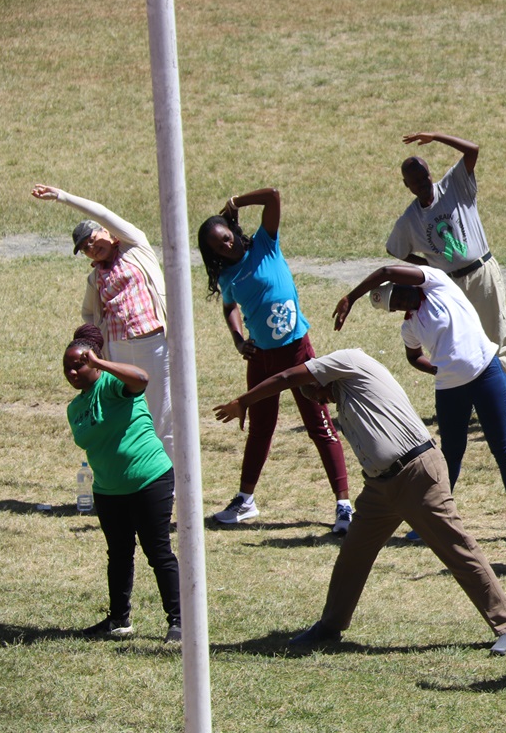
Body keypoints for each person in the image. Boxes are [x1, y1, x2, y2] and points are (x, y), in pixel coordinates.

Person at [213, 348, 506, 655]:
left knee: (457, 549)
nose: (320, 400)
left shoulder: (351, 362)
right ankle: (330, 626)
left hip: (417, 473)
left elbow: (285, 376)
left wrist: (245, 401)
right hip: (380, 488)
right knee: (353, 555)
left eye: (315, 392)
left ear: (319, 374)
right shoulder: (346, 407)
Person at [332, 262, 506, 547]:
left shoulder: (437, 284)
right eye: (396, 305)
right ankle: (437, 521)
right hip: (450, 389)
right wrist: (436, 369)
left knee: (502, 448)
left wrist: (350, 297)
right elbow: (413, 357)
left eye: (400, 294)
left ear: (406, 283)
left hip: (486, 373)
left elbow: (387, 271)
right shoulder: (410, 326)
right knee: (449, 454)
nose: (402, 301)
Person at [197, 188, 353, 533]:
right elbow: (229, 307)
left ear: (233, 231)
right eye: (216, 246)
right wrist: (239, 341)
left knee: (320, 425)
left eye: (225, 237)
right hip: (262, 358)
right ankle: (245, 501)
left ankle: (344, 506)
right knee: (259, 429)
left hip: (297, 350)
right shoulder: (227, 277)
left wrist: (236, 201)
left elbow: (273, 196)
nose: (225, 245)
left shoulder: (265, 245)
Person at [385, 131, 506, 426]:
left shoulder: (453, 186)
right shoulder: (411, 219)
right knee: (465, 339)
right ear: (406, 185)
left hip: (481, 272)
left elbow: (473, 150)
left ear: (431, 174)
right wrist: (431, 265)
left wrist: (436, 137)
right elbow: (395, 250)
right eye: (414, 182)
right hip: (451, 283)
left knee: (497, 333)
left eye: (424, 178)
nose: (421, 185)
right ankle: (484, 400)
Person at [33, 184, 173, 460]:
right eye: (85, 248)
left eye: (93, 239)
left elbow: (103, 213)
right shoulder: (95, 278)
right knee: (126, 410)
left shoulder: (135, 247)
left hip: (153, 342)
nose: (91, 247)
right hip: (119, 348)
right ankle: (131, 471)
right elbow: (89, 313)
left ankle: (167, 480)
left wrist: (62, 197)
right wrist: (98, 341)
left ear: (107, 233)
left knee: (162, 412)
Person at [64, 324, 181, 643]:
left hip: (149, 479)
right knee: (118, 554)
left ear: (94, 361)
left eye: (79, 364)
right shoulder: (74, 408)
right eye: (68, 367)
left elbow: (141, 379)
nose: (73, 371)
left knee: (158, 552)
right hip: (108, 490)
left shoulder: (114, 384)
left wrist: (100, 364)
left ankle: (179, 621)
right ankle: (119, 620)